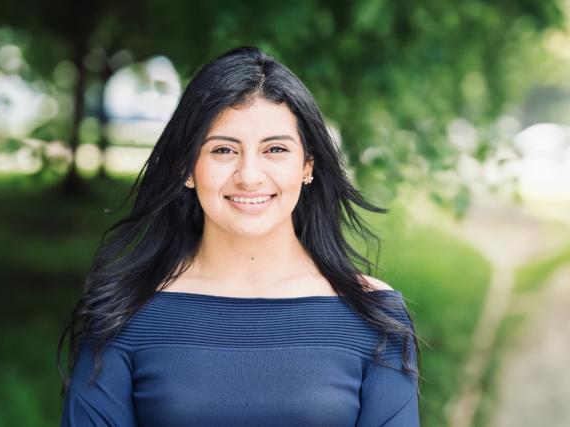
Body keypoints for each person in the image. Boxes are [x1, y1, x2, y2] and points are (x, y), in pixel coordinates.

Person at [57, 46, 421, 426]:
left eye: (275, 149)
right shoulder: (122, 313)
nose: (249, 175)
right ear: (188, 167)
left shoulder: (374, 316)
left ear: (307, 166)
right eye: (224, 150)